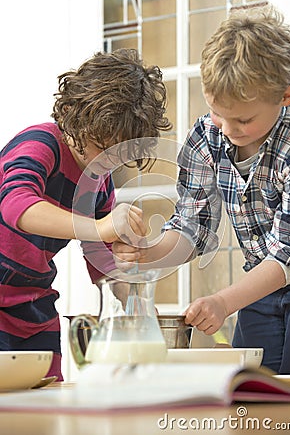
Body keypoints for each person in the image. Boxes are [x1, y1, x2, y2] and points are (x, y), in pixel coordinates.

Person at [113, 6, 290, 374]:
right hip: (259, 289)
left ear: (285, 96)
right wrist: (148, 253)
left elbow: (288, 256)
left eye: (244, 119)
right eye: (217, 111)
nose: (228, 127)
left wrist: (222, 302)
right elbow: (191, 227)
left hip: (289, 277)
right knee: (250, 397)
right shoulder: (206, 137)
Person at [0, 48, 172, 380]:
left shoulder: (99, 185)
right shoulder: (41, 144)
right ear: (74, 116)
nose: (105, 161)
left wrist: (140, 308)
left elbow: (104, 269)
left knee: (45, 401)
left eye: (117, 153)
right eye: (99, 145)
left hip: (33, 308)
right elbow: (16, 205)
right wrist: (101, 227)